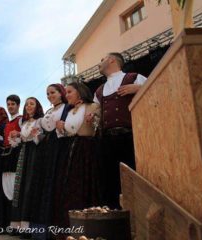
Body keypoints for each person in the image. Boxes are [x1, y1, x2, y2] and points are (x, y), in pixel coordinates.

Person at [93, 52, 147, 209]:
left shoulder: (134, 78)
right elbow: (98, 113)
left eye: (102, 59)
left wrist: (138, 88)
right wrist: (93, 115)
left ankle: (137, 218)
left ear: (111, 60)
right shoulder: (99, 91)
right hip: (107, 141)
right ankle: (115, 219)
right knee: (110, 181)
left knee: (133, 178)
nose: (99, 63)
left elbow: (157, 87)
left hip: (130, 137)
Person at [54, 82, 104, 239]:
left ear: (80, 92)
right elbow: (68, 133)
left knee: (85, 186)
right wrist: (60, 127)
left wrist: (93, 120)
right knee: (69, 188)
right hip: (71, 151)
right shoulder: (70, 110)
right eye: (66, 92)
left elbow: (99, 128)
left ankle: (88, 230)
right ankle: (70, 229)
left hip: (87, 151)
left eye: (69, 91)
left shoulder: (93, 106)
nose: (66, 94)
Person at [30, 84, 70, 240]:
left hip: (62, 149)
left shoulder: (68, 108)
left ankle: (57, 231)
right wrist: (37, 135)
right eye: (47, 94)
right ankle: (41, 231)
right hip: (47, 151)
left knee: (57, 185)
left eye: (52, 92)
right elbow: (44, 134)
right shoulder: (48, 112)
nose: (49, 96)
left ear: (61, 93)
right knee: (44, 186)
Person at [11, 97, 44, 239]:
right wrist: (17, 136)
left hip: (35, 154)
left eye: (32, 104)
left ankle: (28, 227)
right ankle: (17, 225)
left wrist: (35, 135)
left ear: (37, 106)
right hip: (24, 153)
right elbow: (20, 141)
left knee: (30, 186)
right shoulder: (24, 122)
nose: (28, 106)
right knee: (20, 186)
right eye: (27, 104)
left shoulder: (41, 120)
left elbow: (41, 139)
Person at [1, 95, 23, 231]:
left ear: (18, 105)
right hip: (6, 157)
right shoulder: (7, 124)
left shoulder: (21, 120)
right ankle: (11, 223)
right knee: (7, 189)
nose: (10, 106)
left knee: (16, 189)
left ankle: (18, 224)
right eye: (8, 104)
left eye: (13, 104)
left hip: (16, 156)